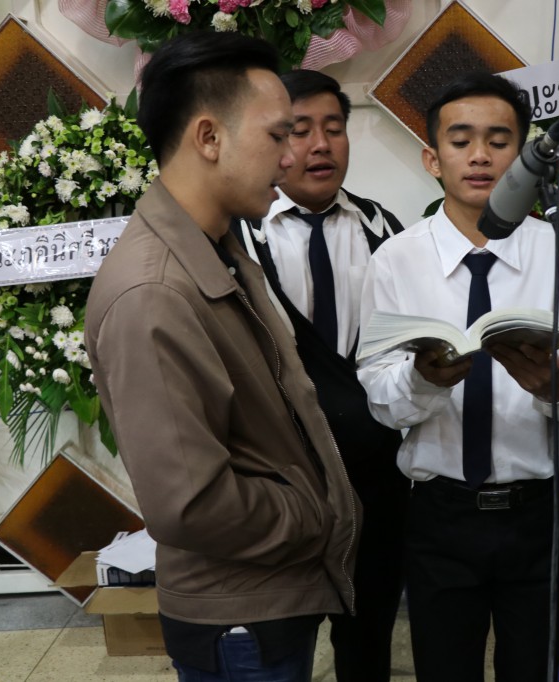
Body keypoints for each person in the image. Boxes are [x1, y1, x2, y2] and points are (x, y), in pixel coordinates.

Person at [84, 33, 359, 682]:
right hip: (241, 620)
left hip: (268, 596)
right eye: (278, 135)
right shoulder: (153, 291)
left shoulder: (215, 246)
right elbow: (190, 503)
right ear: (208, 137)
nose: (291, 158)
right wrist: (316, 513)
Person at [357, 72, 559, 682]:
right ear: (432, 158)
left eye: (499, 141)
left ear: (524, 158)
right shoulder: (396, 260)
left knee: (535, 670)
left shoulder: (558, 252)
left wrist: (554, 384)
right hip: (440, 514)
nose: (480, 156)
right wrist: (424, 379)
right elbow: (380, 399)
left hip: (537, 514)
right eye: (461, 140)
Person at [228, 69, 407, 682]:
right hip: (288, 481)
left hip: (378, 479)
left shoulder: (386, 231)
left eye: (334, 128)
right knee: (284, 641)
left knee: (369, 634)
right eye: (299, 130)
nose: (321, 145)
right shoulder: (236, 238)